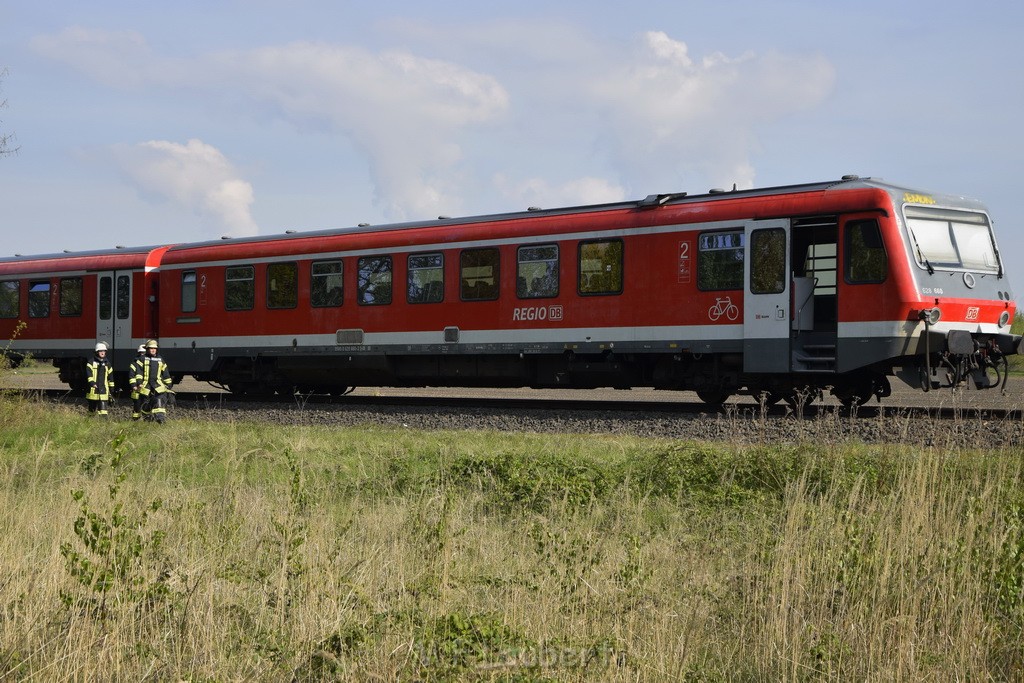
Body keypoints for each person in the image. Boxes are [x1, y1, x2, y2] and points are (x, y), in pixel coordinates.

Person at [136, 339, 173, 423]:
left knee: (159, 401)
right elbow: (139, 373)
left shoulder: (160, 359)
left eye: (154, 348)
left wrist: (169, 384)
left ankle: (161, 420)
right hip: (146, 387)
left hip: (158, 386)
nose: (153, 350)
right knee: (146, 405)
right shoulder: (142, 359)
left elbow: (165, 373)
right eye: (151, 348)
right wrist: (139, 383)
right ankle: (147, 419)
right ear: (147, 349)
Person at [85, 341, 114, 417]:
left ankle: (104, 425)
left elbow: (110, 377)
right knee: (91, 410)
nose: (102, 353)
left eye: (104, 351)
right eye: (100, 351)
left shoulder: (107, 363)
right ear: (97, 352)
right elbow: (89, 375)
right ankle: (89, 423)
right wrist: (92, 383)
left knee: (103, 412)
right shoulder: (90, 362)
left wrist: (112, 388)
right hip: (93, 391)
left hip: (104, 390)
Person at [127, 344, 147, 421]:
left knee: (145, 405)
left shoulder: (149, 363)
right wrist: (134, 386)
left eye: (144, 353)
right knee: (137, 406)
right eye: (141, 353)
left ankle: (145, 420)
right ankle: (135, 420)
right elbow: (131, 376)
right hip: (137, 389)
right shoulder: (134, 363)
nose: (142, 355)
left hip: (145, 388)